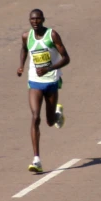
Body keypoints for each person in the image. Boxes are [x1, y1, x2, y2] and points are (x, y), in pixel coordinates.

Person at [18, 9, 70, 173]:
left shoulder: (52, 35)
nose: (35, 21)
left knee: (49, 121)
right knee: (35, 117)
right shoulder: (27, 36)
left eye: (38, 19)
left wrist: (49, 68)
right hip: (34, 82)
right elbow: (24, 49)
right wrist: (21, 65)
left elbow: (66, 58)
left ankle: (57, 114)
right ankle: (37, 159)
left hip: (52, 81)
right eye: (32, 19)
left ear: (43, 19)